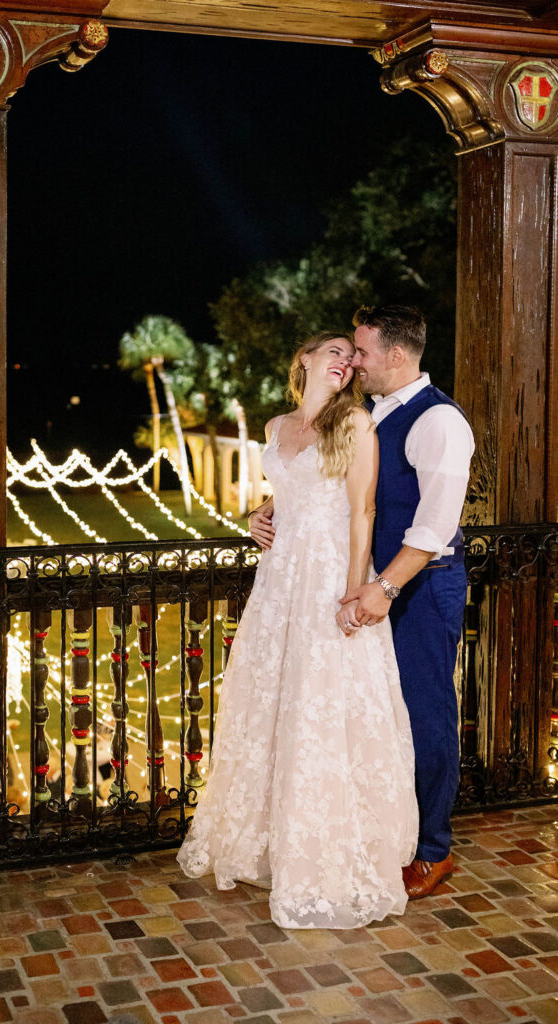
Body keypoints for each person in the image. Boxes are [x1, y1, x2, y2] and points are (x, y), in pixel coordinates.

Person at [177, 331, 419, 929]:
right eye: (333, 351)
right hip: (279, 581)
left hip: (329, 575)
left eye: (349, 354)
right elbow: (287, 495)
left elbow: (361, 509)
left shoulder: (355, 424)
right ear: (305, 360)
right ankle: (267, 841)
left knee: (323, 705)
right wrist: (258, 514)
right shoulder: (274, 428)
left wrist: (355, 588)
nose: (344, 361)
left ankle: (326, 855)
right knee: (271, 703)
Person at [252, 305, 474, 900]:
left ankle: (432, 851)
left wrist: (383, 588)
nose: (355, 360)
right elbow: (334, 483)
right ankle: (376, 837)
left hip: (418, 587)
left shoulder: (439, 423)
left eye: (363, 351)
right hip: (367, 584)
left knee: (424, 716)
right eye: (346, 351)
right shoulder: (369, 413)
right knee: (372, 716)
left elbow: (433, 527)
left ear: (396, 356)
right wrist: (273, 509)